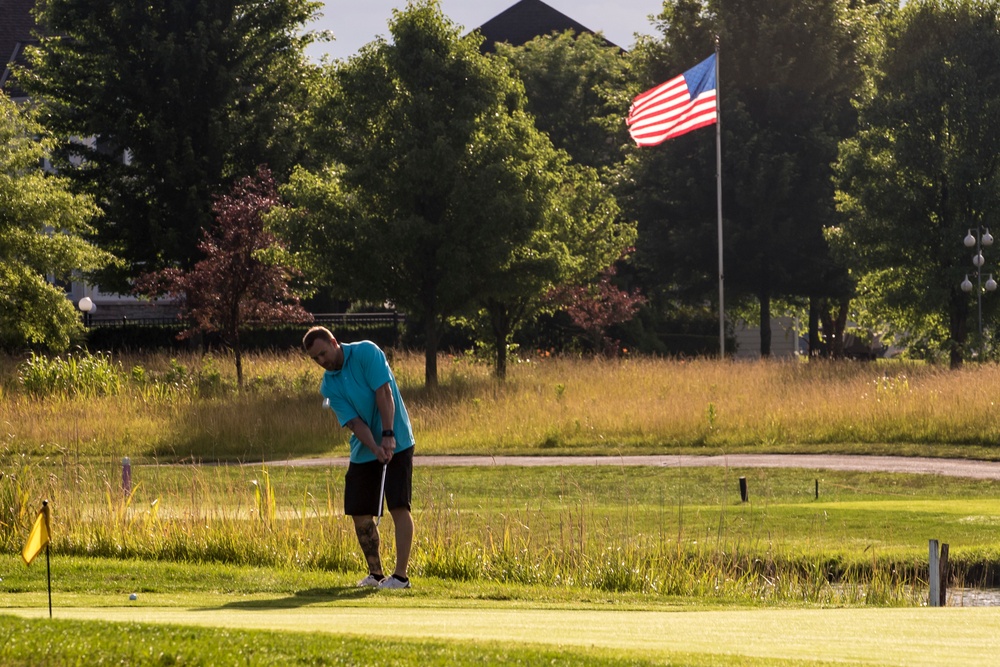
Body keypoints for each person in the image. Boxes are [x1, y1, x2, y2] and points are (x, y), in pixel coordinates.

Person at [302, 326, 415, 589]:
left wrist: (387, 436)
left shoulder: (366, 352)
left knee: (399, 506)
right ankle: (376, 574)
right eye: (315, 359)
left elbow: (384, 394)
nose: (321, 361)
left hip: (398, 439)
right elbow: (354, 423)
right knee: (359, 512)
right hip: (365, 448)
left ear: (333, 342)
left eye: (322, 353)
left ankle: (400, 577)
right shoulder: (329, 385)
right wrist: (375, 448)